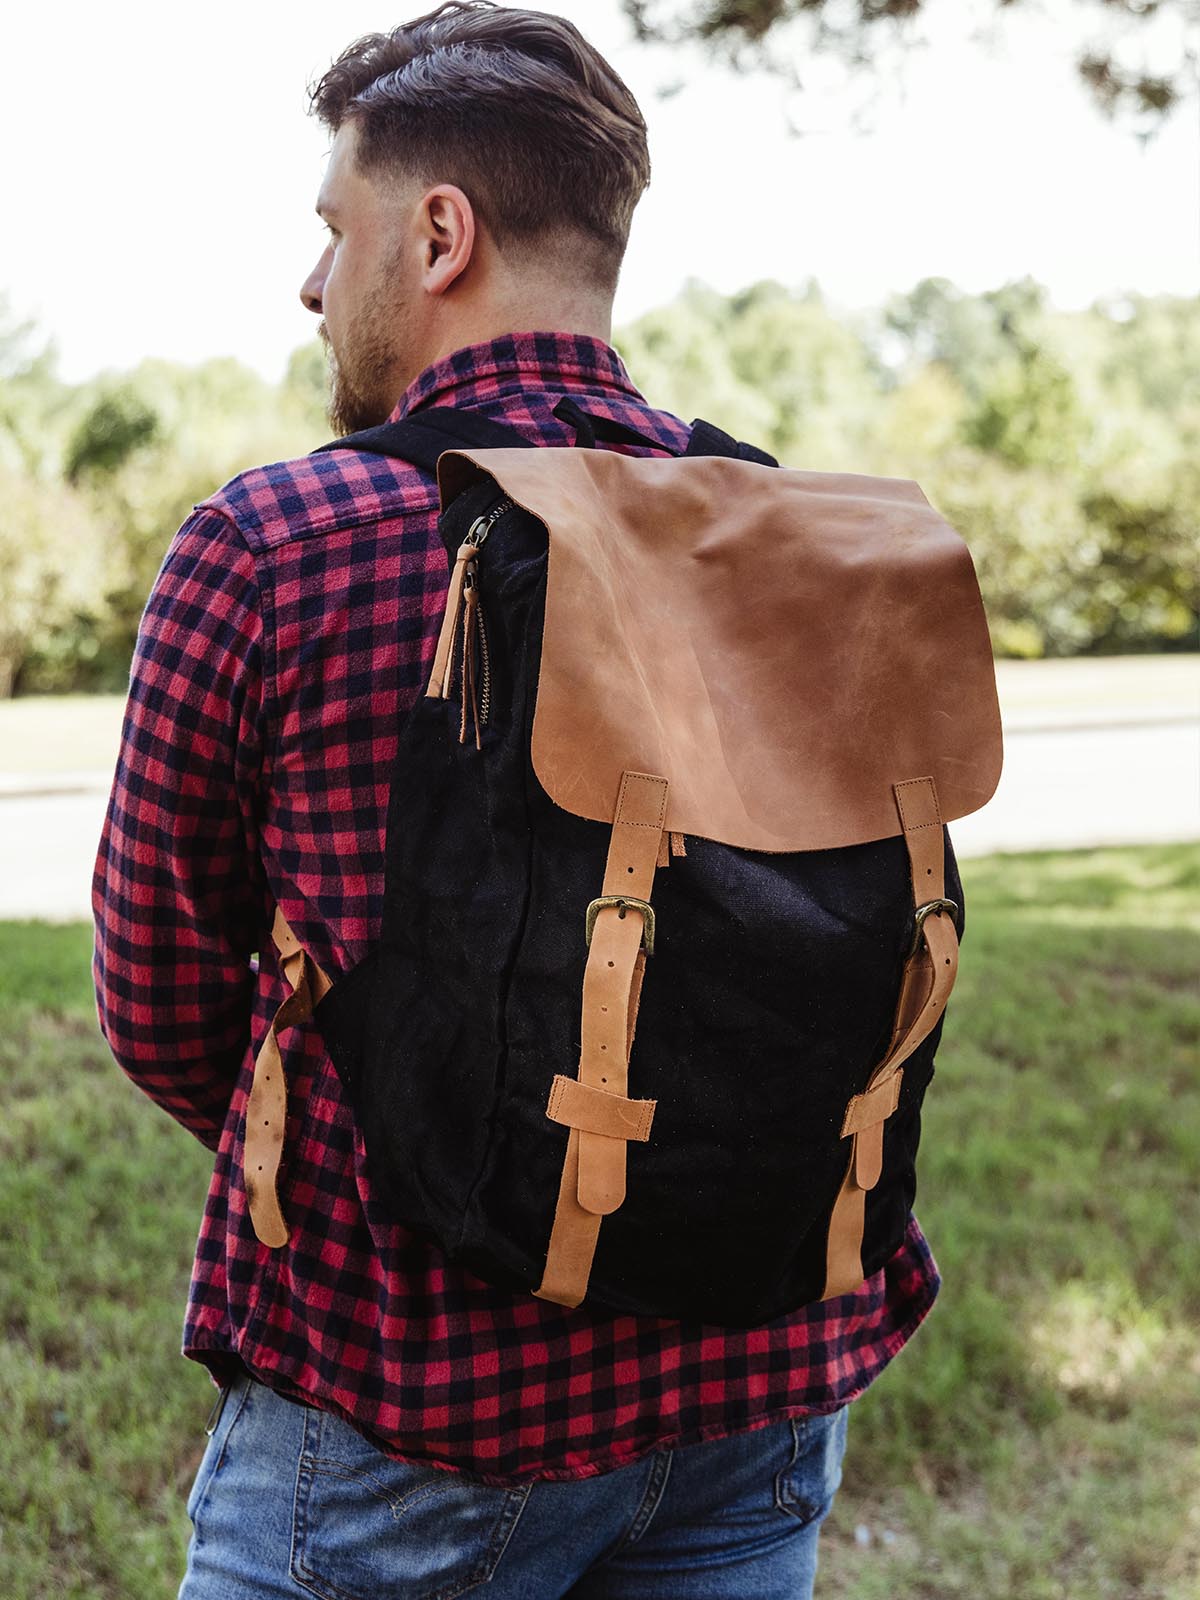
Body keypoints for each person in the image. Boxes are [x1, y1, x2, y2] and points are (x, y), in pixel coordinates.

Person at [92, 6, 942, 1596]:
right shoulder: (805, 545)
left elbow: (155, 998)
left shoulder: (279, 544)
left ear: (437, 235)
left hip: (413, 1403)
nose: (309, 283)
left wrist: (415, 1145)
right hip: (761, 1378)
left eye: (330, 232)